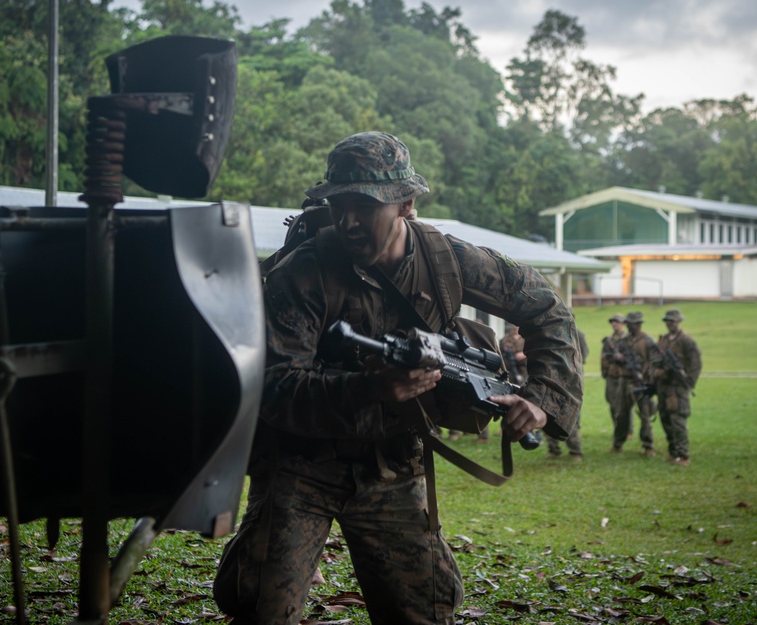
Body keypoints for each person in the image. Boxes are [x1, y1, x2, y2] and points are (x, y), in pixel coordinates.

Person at [212, 131, 583, 625]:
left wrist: (542, 397)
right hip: (301, 461)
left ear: (406, 203)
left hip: (392, 461)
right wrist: (369, 389)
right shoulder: (302, 273)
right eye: (339, 204)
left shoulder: (449, 262)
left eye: (364, 206)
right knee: (261, 607)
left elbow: (550, 312)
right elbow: (275, 386)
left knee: (425, 612)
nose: (348, 221)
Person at [651, 309, 702, 466]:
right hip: (663, 386)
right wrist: (657, 372)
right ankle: (673, 452)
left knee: (678, 420)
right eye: (667, 321)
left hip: (678, 387)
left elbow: (695, 364)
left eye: (672, 321)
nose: (669, 323)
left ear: (679, 322)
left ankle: (683, 455)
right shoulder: (663, 341)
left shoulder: (686, 341)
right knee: (665, 418)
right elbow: (655, 360)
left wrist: (688, 381)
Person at [610, 311, 656, 455]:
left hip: (642, 383)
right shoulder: (624, 340)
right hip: (624, 381)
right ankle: (618, 444)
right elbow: (616, 355)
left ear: (638, 324)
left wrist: (646, 375)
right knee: (621, 414)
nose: (629, 326)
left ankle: (648, 445)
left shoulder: (648, 341)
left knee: (645, 415)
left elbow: (655, 361)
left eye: (631, 323)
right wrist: (618, 357)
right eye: (627, 323)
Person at [546, 327, 587, 460]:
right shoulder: (547, 333)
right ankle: (553, 449)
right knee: (547, 413)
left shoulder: (576, 335)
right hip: (549, 378)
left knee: (569, 416)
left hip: (569, 380)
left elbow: (583, 355)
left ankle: (575, 451)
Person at [601, 313, 632, 439]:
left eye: (617, 322)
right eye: (612, 322)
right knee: (612, 403)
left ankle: (628, 430)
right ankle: (617, 427)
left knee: (625, 405)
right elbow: (603, 357)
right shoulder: (609, 340)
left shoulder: (629, 339)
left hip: (625, 376)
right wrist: (605, 371)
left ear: (623, 324)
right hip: (612, 376)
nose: (614, 324)